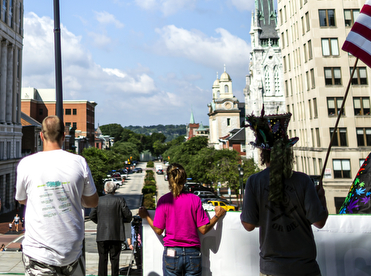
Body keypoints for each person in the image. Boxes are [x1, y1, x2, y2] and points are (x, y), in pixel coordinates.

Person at [240, 112, 328, 276]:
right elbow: (319, 221)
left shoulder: (254, 182)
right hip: (305, 269)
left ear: (263, 154)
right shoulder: (303, 181)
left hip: (271, 269)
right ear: (288, 153)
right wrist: (322, 198)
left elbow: (248, 225)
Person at [16, 116, 98, 276]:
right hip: (72, 252)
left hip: (38, 252)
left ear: (41, 135)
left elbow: (21, 198)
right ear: (63, 136)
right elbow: (93, 201)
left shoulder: (26, 163)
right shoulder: (79, 162)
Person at [137, 163, 224, 276]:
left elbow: (158, 230)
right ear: (184, 179)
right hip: (193, 253)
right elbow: (203, 229)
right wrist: (217, 216)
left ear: (168, 179)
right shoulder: (195, 199)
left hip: (172, 252)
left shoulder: (164, 200)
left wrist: (146, 216)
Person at [90, 181, 132, 276]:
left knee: (102, 259)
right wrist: (121, 220)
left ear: (104, 190)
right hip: (116, 234)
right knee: (115, 260)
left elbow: (92, 215)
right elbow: (128, 215)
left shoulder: (98, 200)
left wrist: (100, 222)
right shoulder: (120, 200)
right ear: (114, 190)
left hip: (102, 234)